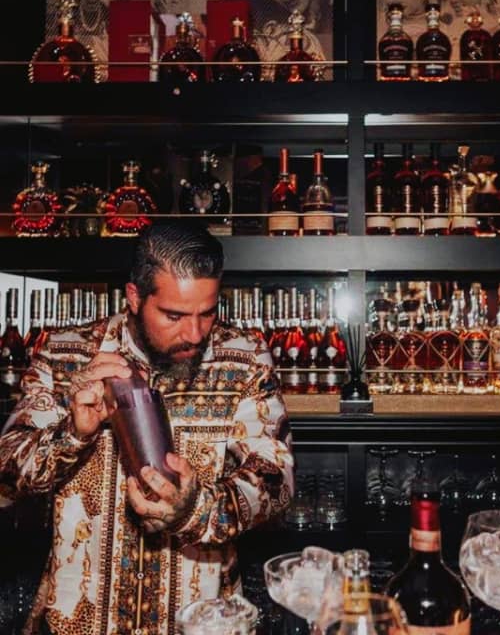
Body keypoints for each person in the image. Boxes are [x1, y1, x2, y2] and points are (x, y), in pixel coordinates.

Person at [0, 221, 295, 635]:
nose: (194, 333)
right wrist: (72, 433)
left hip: (201, 622)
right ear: (135, 297)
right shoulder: (67, 355)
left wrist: (195, 509)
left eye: (207, 313)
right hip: (79, 622)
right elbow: (6, 473)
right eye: (174, 315)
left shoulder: (244, 358)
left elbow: (277, 478)